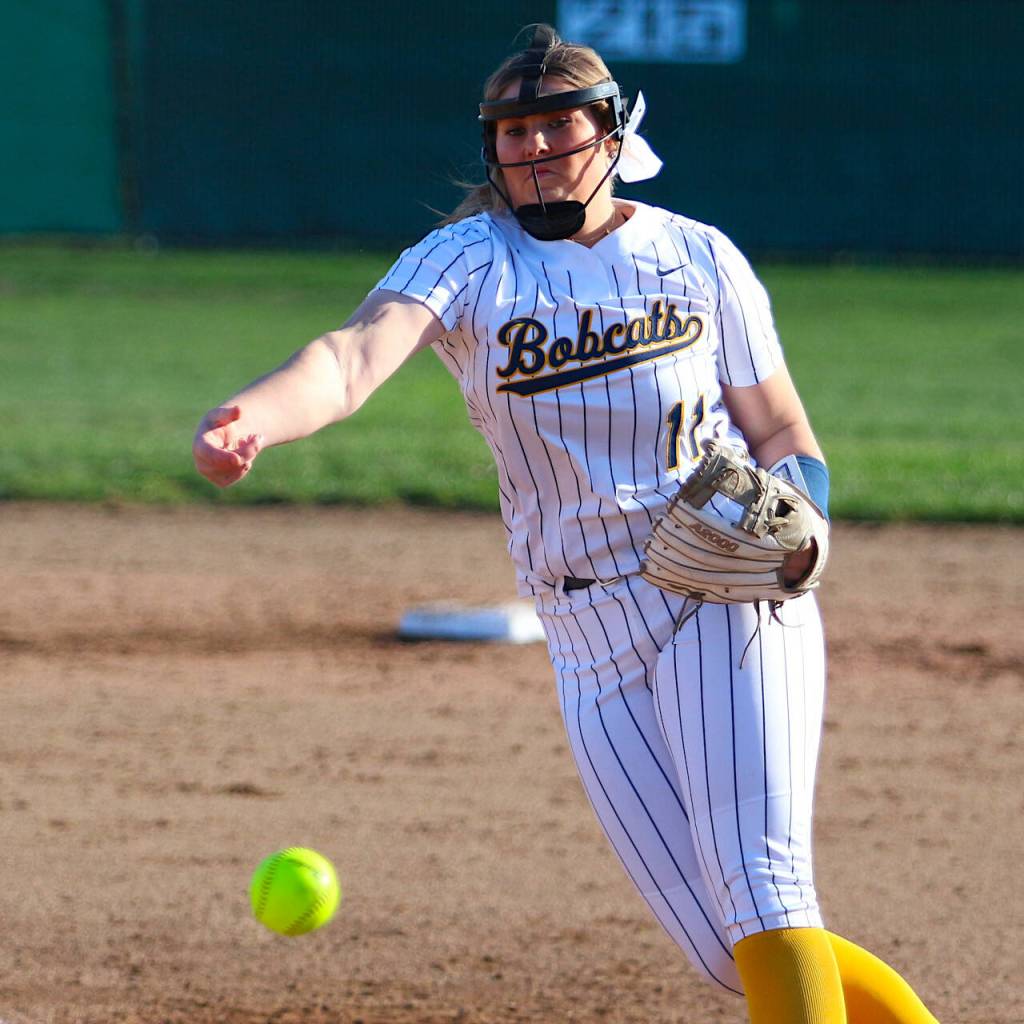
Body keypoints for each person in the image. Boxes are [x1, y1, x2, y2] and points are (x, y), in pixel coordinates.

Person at [193, 24, 940, 1024]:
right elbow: (349, 358)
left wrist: (804, 516)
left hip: (720, 586)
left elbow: (779, 427)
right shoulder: (466, 260)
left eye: (559, 128)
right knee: (732, 955)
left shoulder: (696, 255)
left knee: (766, 896)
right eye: (515, 134)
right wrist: (255, 419)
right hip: (583, 636)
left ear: (611, 133)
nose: (536, 150)